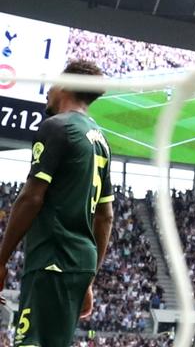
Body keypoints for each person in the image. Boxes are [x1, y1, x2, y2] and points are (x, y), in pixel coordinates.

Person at [0, 60, 114, 347]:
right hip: (79, 262)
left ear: (64, 85)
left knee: (30, 343)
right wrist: (89, 278)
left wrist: (0, 260)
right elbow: (105, 217)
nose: (47, 92)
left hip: (53, 256)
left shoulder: (57, 127)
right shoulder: (101, 140)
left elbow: (31, 197)